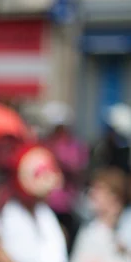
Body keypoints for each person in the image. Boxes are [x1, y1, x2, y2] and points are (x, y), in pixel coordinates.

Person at [41, 101, 88, 253]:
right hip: (46, 203)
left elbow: (77, 169)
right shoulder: (44, 143)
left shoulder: (74, 146)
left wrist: (59, 158)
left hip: (66, 206)